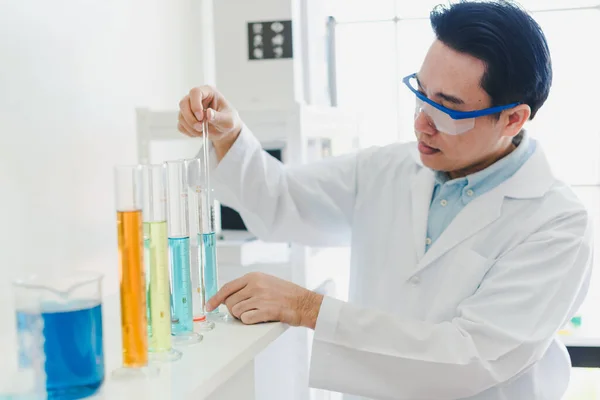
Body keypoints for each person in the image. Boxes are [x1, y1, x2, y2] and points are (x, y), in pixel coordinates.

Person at [177, 1, 593, 399]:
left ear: (513, 119)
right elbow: (283, 201)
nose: (420, 123)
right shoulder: (388, 168)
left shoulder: (556, 225)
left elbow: (469, 358)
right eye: (420, 93)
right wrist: (228, 135)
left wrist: (308, 308)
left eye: (447, 109)